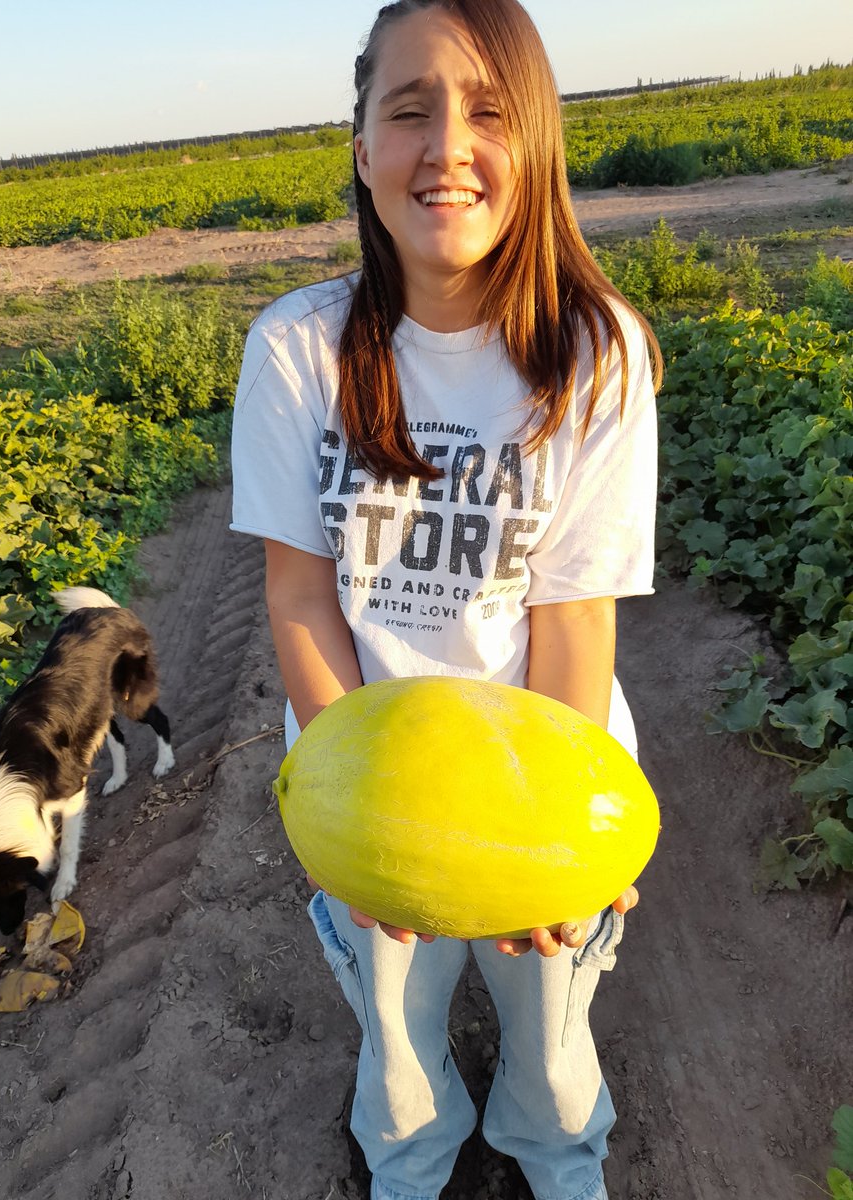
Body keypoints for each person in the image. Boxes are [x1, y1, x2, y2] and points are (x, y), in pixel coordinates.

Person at [230, 1, 662, 1196]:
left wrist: (552, 851)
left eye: (486, 111)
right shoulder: (296, 350)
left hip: (549, 762)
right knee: (398, 1040)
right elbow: (302, 602)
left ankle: (555, 1155)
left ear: (536, 142)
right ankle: (410, 1162)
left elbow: (575, 616)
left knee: (554, 1043)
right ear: (362, 144)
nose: (447, 145)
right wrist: (351, 819)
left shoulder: (596, 354)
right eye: (408, 109)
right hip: (359, 761)